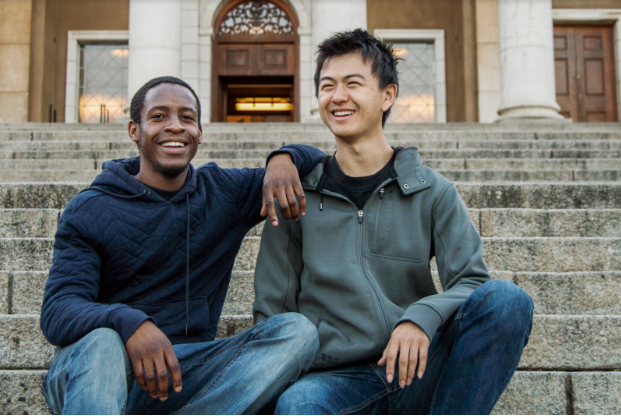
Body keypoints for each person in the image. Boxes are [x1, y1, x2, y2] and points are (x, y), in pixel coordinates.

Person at [253, 29, 534, 414]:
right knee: (299, 404)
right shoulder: (296, 195)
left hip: (418, 363)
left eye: (353, 84)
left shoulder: (432, 190)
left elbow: (472, 281)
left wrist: (421, 318)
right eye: (327, 86)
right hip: (334, 382)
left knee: (507, 300)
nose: (338, 97)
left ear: (388, 95)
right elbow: (273, 308)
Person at [40, 76, 324, 415]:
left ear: (199, 133)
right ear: (135, 130)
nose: (175, 127)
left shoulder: (221, 193)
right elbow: (58, 309)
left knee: (298, 332)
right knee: (102, 342)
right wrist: (128, 323)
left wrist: (282, 158)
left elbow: (318, 156)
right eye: (159, 116)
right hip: (100, 372)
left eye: (187, 118)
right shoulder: (91, 208)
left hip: (182, 372)